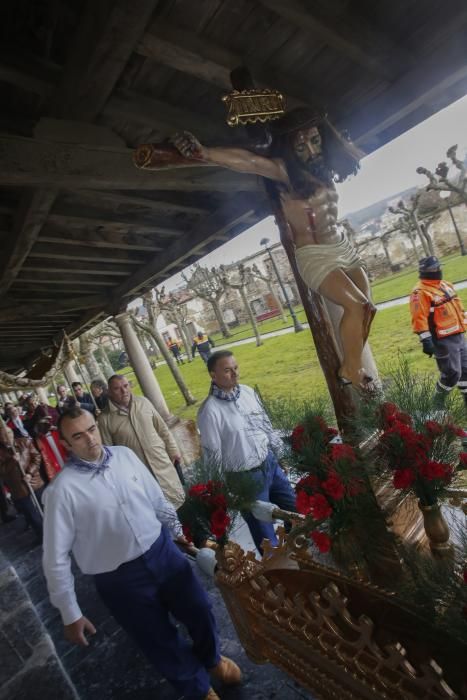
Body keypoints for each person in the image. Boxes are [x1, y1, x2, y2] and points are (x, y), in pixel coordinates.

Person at [42, 408, 241, 700]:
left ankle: (212, 660)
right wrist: (69, 612)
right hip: (119, 579)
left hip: (162, 552)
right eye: (78, 436)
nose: (90, 439)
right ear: (66, 444)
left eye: (92, 429)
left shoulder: (124, 455)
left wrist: (177, 533)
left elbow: (156, 499)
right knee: (158, 638)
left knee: (199, 607)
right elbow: (55, 557)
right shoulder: (61, 491)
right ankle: (198, 689)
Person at [169, 109, 375, 387]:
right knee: (356, 305)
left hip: (342, 245)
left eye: (315, 140)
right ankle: (350, 370)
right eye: (301, 146)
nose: (311, 150)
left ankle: (351, 365)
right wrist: (204, 152)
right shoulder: (285, 171)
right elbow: (248, 161)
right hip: (316, 255)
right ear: (290, 149)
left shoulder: (325, 168)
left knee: (368, 309)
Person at [197, 350, 297, 552]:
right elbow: (212, 456)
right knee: (266, 538)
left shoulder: (248, 392)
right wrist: (225, 491)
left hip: (270, 465)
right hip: (245, 480)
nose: (234, 374)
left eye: (235, 368)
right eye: (227, 370)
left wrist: (280, 457)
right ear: (213, 375)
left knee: (295, 513)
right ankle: (279, 574)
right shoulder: (210, 411)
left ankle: (300, 554)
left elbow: (266, 427)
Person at [98, 375, 185, 508]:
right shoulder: (105, 418)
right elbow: (109, 454)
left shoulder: (144, 402)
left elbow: (162, 429)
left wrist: (173, 450)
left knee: (179, 501)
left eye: (126, 386)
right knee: (155, 510)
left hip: (161, 461)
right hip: (137, 474)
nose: (124, 391)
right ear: (109, 392)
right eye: (117, 388)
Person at [410, 256, 467, 408]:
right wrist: (426, 340)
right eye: (434, 268)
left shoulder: (445, 285)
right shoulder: (420, 292)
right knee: (451, 374)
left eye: (438, 267)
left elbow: (458, 307)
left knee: (466, 371)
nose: (438, 270)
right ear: (425, 271)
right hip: (443, 341)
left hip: (460, 336)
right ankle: (437, 405)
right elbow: (418, 317)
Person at [0, 421, 44, 542]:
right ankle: (41, 536)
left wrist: (30, 473)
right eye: (3, 435)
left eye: (8, 433)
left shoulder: (24, 441)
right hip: (18, 489)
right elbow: (2, 471)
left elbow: (37, 458)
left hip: (35, 482)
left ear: (12, 433)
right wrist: (12, 461)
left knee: (45, 507)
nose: (6, 437)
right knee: (32, 514)